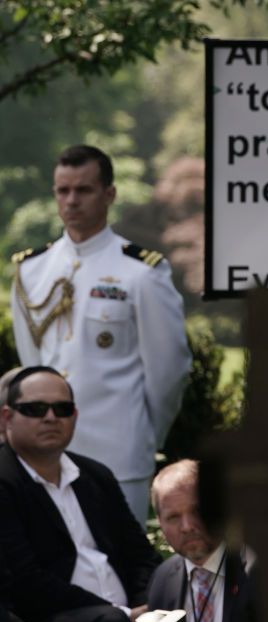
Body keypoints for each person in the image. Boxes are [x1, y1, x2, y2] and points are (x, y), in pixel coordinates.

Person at [10, 145, 192, 525]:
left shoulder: (140, 272)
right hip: (46, 455)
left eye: (84, 190)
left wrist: (142, 434)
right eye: (63, 190)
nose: (72, 200)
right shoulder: (32, 270)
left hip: (118, 453)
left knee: (122, 569)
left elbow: (169, 371)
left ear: (109, 194)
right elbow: (33, 369)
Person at [0, 366, 161, 622]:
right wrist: (124, 615)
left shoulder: (96, 475)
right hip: (44, 621)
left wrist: (145, 603)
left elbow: (140, 554)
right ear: (7, 417)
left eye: (62, 409)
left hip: (124, 614)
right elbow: (26, 583)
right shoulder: (5, 480)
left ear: (74, 416)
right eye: (35, 409)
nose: (50, 417)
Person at [127, 459, 262, 622]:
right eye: (173, 517)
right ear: (160, 522)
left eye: (197, 510)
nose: (187, 526)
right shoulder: (164, 579)